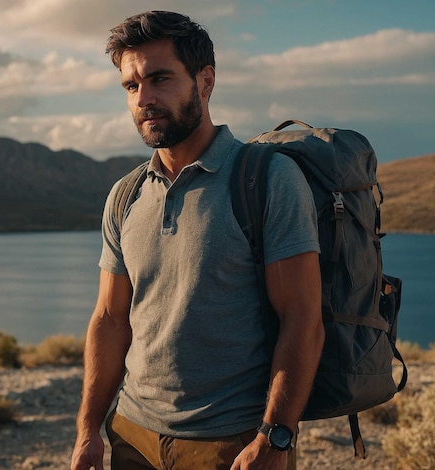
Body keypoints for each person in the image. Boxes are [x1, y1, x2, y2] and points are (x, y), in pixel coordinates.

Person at [71, 10, 324, 470]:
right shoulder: (126, 195)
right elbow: (109, 320)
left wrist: (275, 438)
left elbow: (303, 319)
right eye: (131, 86)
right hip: (132, 434)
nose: (144, 98)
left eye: (160, 78)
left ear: (205, 82)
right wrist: (88, 430)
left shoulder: (267, 179)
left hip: (231, 442)